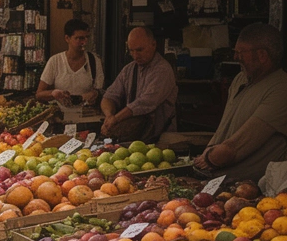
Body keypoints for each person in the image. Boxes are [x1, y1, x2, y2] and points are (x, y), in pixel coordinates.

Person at [194, 24, 287, 182]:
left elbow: (235, 148)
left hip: (251, 188)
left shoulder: (281, 89)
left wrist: (210, 157)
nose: (235, 57)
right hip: (216, 179)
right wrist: (208, 151)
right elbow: (224, 127)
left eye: (240, 52)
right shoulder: (240, 79)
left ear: (262, 55)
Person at [101, 27, 178, 141]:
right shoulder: (129, 69)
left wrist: (116, 119)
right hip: (134, 137)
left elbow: (145, 102)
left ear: (153, 45)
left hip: (160, 138)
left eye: (140, 50)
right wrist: (109, 117)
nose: (135, 55)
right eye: (131, 51)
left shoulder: (162, 70)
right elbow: (109, 96)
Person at [36, 19, 103, 106]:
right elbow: (39, 94)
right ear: (67, 38)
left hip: (86, 113)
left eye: (87, 38)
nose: (84, 42)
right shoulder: (55, 61)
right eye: (80, 38)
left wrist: (94, 94)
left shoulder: (94, 60)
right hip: (61, 113)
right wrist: (53, 93)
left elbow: (100, 90)